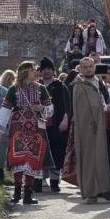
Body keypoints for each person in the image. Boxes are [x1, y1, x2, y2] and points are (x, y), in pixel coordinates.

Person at [0, 61, 54, 205]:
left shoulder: (41, 89)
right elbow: (5, 110)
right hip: (18, 130)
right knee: (18, 160)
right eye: (33, 70)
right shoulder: (13, 90)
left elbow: (50, 109)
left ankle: (28, 194)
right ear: (25, 72)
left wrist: (41, 108)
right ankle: (17, 193)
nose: (36, 72)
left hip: (35, 130)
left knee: (32, 161)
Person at [72, 57, 110, 204]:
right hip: (88, 127)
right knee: (90, 158)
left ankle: (105, 188)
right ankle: (91, 191)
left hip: (105, 124)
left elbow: (103, 100)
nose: (88, 69)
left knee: (105, 156)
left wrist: (109, 107)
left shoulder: (100, 82)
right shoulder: (79, 86)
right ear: (80, 69)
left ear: (94, 67)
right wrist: (107, 107)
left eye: (90, 66)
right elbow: (84, 108)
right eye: (84, 67)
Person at [38, 57, 71, 193]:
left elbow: (66, 105)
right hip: (40, 124)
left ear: (53, 70)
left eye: (49, 69)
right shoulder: (36, 86)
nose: (46, 72)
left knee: (57, 153)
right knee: (40, 152)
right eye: (44, 69)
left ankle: (54, 182)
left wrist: (65, 119)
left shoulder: (59, 86)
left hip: (56, 125)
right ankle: (38, 182)